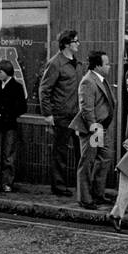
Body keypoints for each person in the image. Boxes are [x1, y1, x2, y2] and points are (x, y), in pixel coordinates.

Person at [39, 29, 82, 197]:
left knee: (82, 151)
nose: (78, 44)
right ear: (66, 44)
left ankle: (83, 186)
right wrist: (47, 114)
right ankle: (58, 185)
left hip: (77, 115)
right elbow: (44, 89)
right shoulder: (56, 63)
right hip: (62, 115)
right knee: (60, 152)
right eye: (75, 41)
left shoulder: (76, 64)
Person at [70, 50, 115, 210]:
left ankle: (98, 193)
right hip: (93, 128)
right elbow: (86, 108)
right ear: (97, 66)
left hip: (102, 127)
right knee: (87, 162)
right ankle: (85, 198)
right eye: (107, 63)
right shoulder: (88, 81)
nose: (110, 66)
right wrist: (94, 127)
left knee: (105, 157)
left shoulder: (100, 79)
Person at [0, 59, 27, 193]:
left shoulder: (17, 87)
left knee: (8, 155)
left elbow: (22, 107)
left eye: (0, 71)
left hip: (9, 124)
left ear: (7, 72)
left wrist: (9, 114)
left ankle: (7, 182)